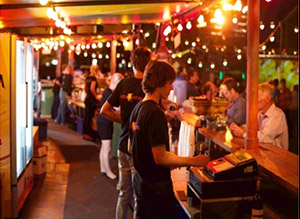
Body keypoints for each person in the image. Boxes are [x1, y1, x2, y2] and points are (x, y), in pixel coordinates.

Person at [129, 60, 209, 218]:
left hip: (140, 181)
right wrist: (194, 161)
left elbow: (131, 147)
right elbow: (160, 157)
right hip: (156, 186)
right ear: (161, 82)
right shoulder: (155, 113)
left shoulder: (138, 108)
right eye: (170, 83)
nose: (172, 87)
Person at [100, 47, 152, 219]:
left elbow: (105, 110)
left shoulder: (123, 84)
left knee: (124, 194)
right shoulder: (148, 88)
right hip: (139, 148)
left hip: (123, 145)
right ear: (149, 64)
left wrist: (123, 121)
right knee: (139, 196)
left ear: (133, 63)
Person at [230, 82, 289, 150]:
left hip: (277, 157)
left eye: (257, 97)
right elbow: (251, 127)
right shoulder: (260, 113)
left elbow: (264, 137)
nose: (253, 100)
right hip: (264, 152)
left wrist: (243, 134)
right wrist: (239, 128)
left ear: (267, 99)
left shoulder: (277, 115)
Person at [98, 73, 124, 180]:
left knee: (104, 147)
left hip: (103, 121)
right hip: (105, 122)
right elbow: (116, 108)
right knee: (106, 148)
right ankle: (108, 171)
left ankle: (103, 169)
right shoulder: (109, 93)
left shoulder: (107, 92)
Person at [83, 65, 101, 141]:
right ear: (96, 71)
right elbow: (92, 89)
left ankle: (85, 134)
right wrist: (96, 97)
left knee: (86, 117)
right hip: (91, 100)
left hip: (87, 99)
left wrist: (89, 95)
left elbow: (85, 89)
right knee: (90, 118)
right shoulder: (94, 78)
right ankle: (90, 135)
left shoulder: (87, 78)